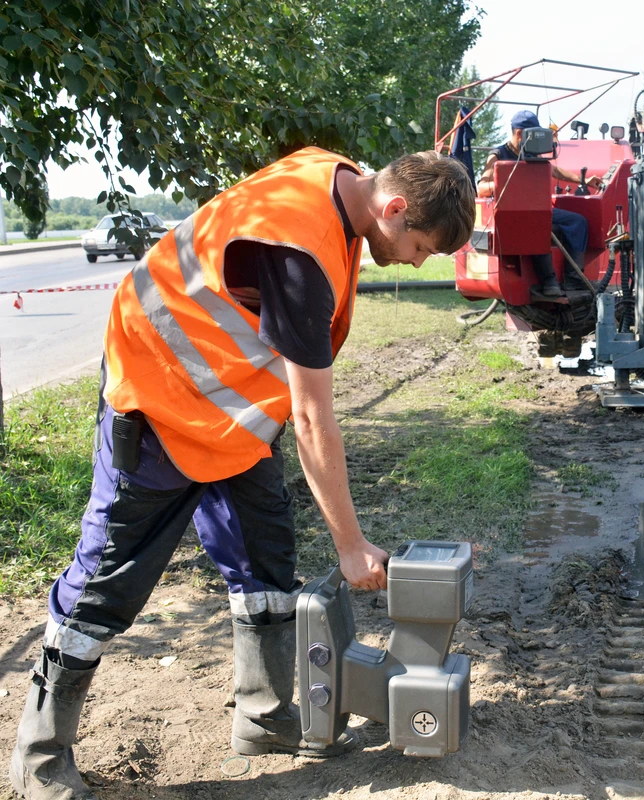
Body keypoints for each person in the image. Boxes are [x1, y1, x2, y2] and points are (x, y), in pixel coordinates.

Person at [8, 148, 476, 800]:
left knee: (264, 558)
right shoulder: (299, 253)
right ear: (394, 208)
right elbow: (314, 421)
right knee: (105, 581)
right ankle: (40, 757)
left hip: (232, 417)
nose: (418, 261)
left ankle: (261, 717)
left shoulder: (335, 176)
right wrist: (350, 547)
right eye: (422, 246)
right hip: (159, 396)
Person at [477, 110, 602, 297]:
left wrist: (584, 181)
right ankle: (548, 280)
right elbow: (481, 188)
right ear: (520, 134)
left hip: (538, 211)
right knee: (536, 223)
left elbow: (555, 172)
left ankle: (574, 279)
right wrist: (504, 182)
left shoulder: (532, 154)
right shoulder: (498, 155)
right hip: (511, 215)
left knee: (578, 222)